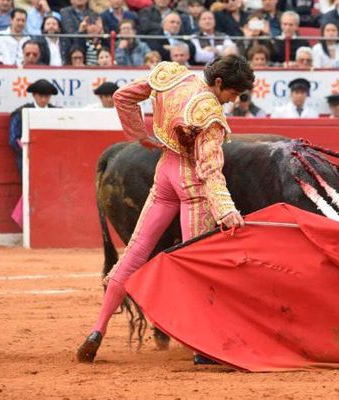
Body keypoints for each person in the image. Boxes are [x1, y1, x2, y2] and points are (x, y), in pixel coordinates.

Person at [76, 55, 255, 364]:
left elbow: (123, 97)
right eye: (233, 94)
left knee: (133, 253)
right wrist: (226, 210)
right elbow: (210, 170)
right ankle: (201, 349)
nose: (230, 102)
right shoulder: (209, 112)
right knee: (195, 264)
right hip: (192, 188)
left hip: (164, 176)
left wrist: (140, 137)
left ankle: (97, 330)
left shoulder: (173, 75)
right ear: (220, 83)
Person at [9, 79, 58, 176]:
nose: (43, 100)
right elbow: (14, 139)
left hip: (51, 157)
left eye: (47, 96)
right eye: (40, 96)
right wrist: (29, 152)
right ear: (34, 95)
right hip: (27, 157)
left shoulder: (56, 113)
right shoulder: (20, 113)